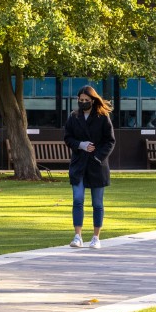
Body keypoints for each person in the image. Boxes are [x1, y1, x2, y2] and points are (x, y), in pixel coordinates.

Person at [63, 85, 115, 249]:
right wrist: (80, 145)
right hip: (79, 164)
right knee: (78, 199)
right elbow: (67, 137)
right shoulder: (74, 117)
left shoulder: (102, 117)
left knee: (97, 203)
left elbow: (110, 141)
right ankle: (77, 236)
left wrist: (99, 156)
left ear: (93, 100)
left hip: (97, 165)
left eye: (86, 100)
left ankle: (95, 237)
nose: (83, 102)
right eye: (81, 100)